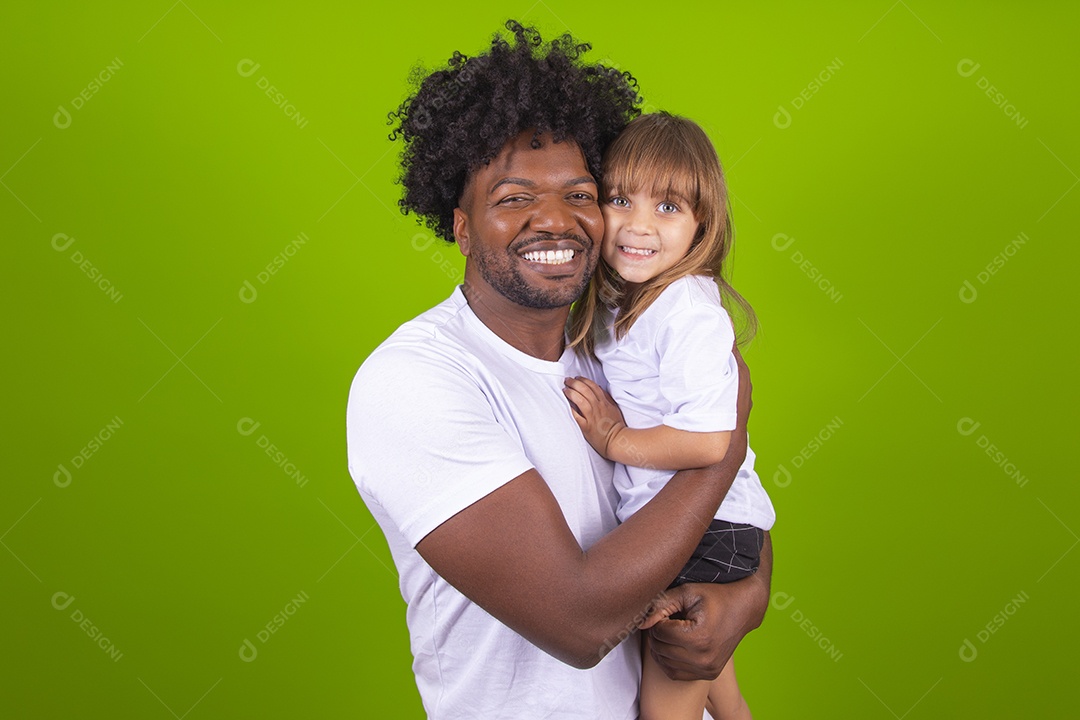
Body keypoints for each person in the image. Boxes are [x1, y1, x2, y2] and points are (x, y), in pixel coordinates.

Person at [346, 21, 772, 719]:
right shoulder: (417, 381)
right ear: (459, 226)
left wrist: (743, 601)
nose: (556, 220)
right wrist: (730, 421)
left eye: (580, 194)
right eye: (514, 198)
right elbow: (580, 622)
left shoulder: (615, 344)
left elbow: (727, 526)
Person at [565, 113, 775, 720]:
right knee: (722, 694)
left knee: (667, 709)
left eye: (668, 208)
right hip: (698, 525)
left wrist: (614, 438)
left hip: (706, 533)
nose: (636, 226)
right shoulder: (627, 297)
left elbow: (711, 440)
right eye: (620, 199)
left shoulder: (685, 310)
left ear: (702, 225)